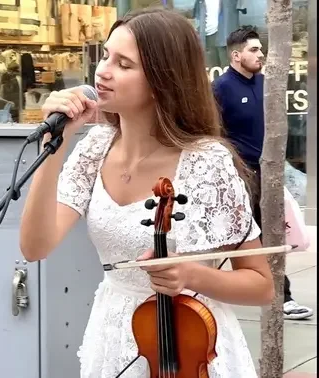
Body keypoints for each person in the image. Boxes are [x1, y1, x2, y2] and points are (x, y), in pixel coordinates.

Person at [19, 8, 273, 378]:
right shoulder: (96, 146)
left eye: (124, 64)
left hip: (190, 341)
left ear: (161, 80)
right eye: (106, 56)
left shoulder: (207, 162)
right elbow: (34, 247)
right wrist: (53, 148)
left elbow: (261, 285)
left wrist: (191, 275)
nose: (103, 71)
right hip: (114, 333)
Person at [213, 26, 314, 320]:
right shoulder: (221, 89)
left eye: (260, 49)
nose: (261, 54)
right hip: (241, 174)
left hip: (268, 171)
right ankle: (274, 295)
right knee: (249, 235)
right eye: (254, 50)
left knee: (272, 232)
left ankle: (278, 295)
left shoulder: (265, 84)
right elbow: (212, 133)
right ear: (236, 55)